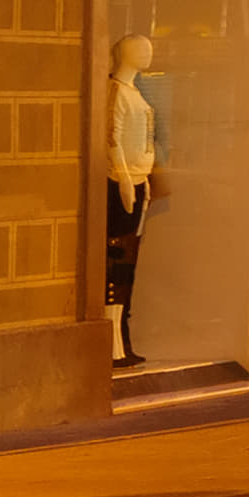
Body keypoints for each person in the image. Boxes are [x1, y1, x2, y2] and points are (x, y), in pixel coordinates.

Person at [106, 34, 162, 367]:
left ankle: (121, 339)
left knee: (128, 262)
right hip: (121, 184)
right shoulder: (117, 92)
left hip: (138, 182)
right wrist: (123, 176)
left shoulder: (135, 93)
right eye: (141, 48)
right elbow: (111, 136)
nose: (148, 53)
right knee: (117, 260)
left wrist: (142, 181)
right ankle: (112, 340)